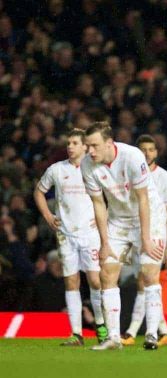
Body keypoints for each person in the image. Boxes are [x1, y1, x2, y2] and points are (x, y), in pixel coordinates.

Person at [81, 122, 167, 350]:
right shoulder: (87, 165)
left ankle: (150, 334)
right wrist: (105, 243)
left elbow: (143, 199)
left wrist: (146, 239)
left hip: (149, 217)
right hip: (118, 220)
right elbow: (99, 205)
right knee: (107, 274)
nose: (90, 151)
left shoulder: (132, 156)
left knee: (149, 274)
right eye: (88, 146)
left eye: (94, 145)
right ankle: (113, 338)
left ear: (109, 143)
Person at [33, 128, 107, 346]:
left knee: (95, 280)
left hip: (90, 234)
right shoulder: (57, 169)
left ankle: (101, 324)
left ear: (85, 146)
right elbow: (38, 191)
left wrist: (106, 218)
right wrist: (47, 215)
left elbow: (114, 194)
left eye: (75, 143)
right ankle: (76, 333)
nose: (70, 146)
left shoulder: (96, 168)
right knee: (71, 281)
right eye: (68, 142)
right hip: (66, 235)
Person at [121, 135, 167, 347]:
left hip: (155, 235)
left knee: (148, 280)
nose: (147, 153)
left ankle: (133, 331)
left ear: (156, 152)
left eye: (151, 149)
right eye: (143, 149)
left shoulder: (165, 178)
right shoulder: (130, 176)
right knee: (144, 282)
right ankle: (164, 330)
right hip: (134, 234)